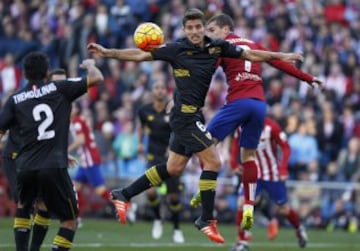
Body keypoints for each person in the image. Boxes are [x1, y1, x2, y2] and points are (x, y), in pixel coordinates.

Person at [88, 8, 303, 243]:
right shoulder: (176, 48)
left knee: (173, 168)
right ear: (184, 30)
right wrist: (108, 53)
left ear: (204, 27)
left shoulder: (217, 46)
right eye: (189, 28)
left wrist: (282, 56)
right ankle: (206, 219)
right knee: (213, 160)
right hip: (183, 118)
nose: (194, 31)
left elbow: (252, 55)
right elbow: (140, 55)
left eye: (198, 27)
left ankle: (123, 194)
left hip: (194, 116)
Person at [199, 13, 322, 230]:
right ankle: (249, 205)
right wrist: (308, 78)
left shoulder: (222, 45)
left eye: (212, 30)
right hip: (259, 105)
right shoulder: (253, 44)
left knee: (203, 143)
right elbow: (277, 63)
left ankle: (204, 191)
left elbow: (206, 70)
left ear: (225, 29)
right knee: (249, 157)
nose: (209, 35)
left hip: (238, 102)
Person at [0, 52, 103, 251]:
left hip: (25, 166)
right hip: (53, 165)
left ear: (24, 73)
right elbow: (97, 77)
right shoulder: (59, 88)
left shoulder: (15, 99)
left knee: (23, 206)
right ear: (47, 73)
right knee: (69, 220)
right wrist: (90, 65)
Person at [229, 117, 308, 251]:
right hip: (252, 173)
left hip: (272, 174)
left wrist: (283, 168)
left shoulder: (271, 127)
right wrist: (233, 162)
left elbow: (286, 147)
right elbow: (236, 143)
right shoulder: (241, 125)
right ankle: (242, 242)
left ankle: (299, 228)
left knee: (283, 208)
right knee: (242, 203)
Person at [137, 80, 184, 243]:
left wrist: (172, 147)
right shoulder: (144, 110)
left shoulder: (173, 110)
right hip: (153, 156)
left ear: (166, 91)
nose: (160, 91)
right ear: (152, 91)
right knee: (150, 191)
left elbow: (179, 130)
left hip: (172, 156)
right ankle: (157, 219)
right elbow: (141, 127)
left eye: (162, 88)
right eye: (157, 87)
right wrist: (139, 143)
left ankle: (177, 228)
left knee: (174, 198)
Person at [68, 101, 112, 226]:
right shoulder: (78, 121)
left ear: (76, 110)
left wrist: (66, 150)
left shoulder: (77, 122)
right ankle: (78, 217)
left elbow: (81, 140)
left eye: (72, 107)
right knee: (75, 187)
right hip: (85, 160)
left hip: (89, 160)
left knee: (100, 190)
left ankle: (125, 204)